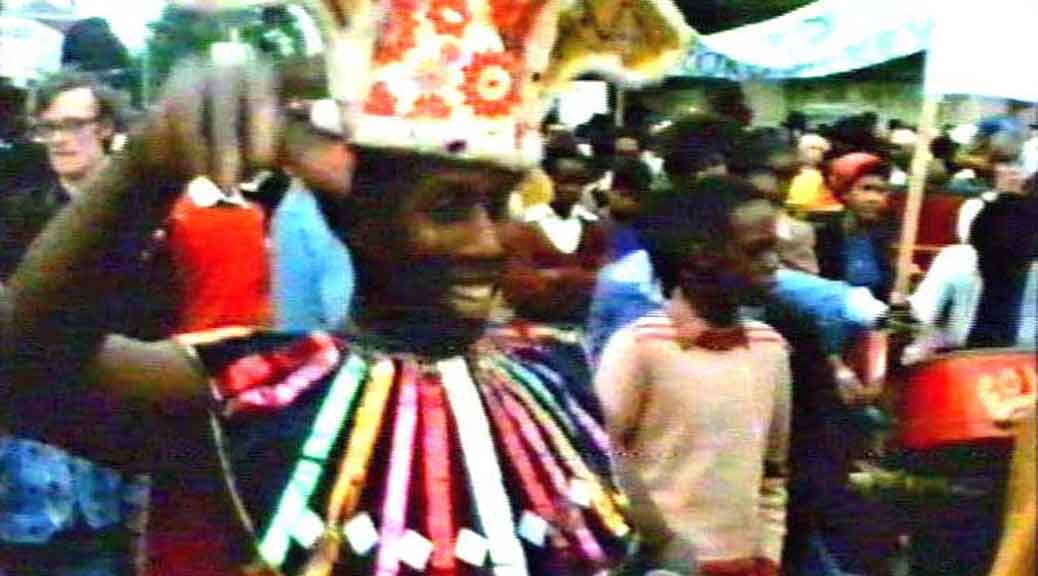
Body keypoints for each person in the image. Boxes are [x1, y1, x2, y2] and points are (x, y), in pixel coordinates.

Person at [3, 0, 696, 572]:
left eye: (500, 204)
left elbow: (660, 546)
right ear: (353, 221)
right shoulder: (251, 393)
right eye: (449, 207)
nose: (488, 242)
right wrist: (149, 165)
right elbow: (23, 367)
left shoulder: (549, 372)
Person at [596, 175, 791, 576]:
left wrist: (768, 555)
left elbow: (773, 471)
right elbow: (604, 457)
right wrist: (657, 542)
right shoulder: (640, 346)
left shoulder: (770, 348)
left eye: (774, 248)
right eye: (757, 250)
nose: (773, 263)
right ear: (699, 256)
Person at [0, 71, 151, 576]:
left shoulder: (148, 215)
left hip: (120, 443)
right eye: (49, 127)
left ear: (106, 128)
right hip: (31, 450)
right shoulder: (17, 217)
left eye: (73, 124)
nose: (60, 138)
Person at [500, 138, 609, 325]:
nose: (571, 190)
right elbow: (519, 284)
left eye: (578, 183)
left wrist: (556, 276)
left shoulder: (594, 227)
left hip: (581, 321)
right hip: (532, 321)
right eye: (564, 182)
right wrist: (577, 277)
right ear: (549, 182)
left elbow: (603, 279)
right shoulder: (525, 226)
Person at [815, 152, 897, 300]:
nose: (874, 199)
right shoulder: (823, 233)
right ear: (845, 192)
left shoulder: (883, 234)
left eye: (881, 191)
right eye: (866, 189)